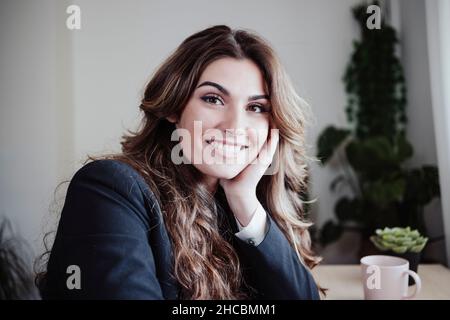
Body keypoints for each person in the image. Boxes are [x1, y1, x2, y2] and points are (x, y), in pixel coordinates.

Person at [38, 25, 322, 300]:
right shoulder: (110, 189)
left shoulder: (239, 209)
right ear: (175, 107)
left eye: (256, 107)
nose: (235, 126)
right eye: (213, 99)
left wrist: (245, 201)